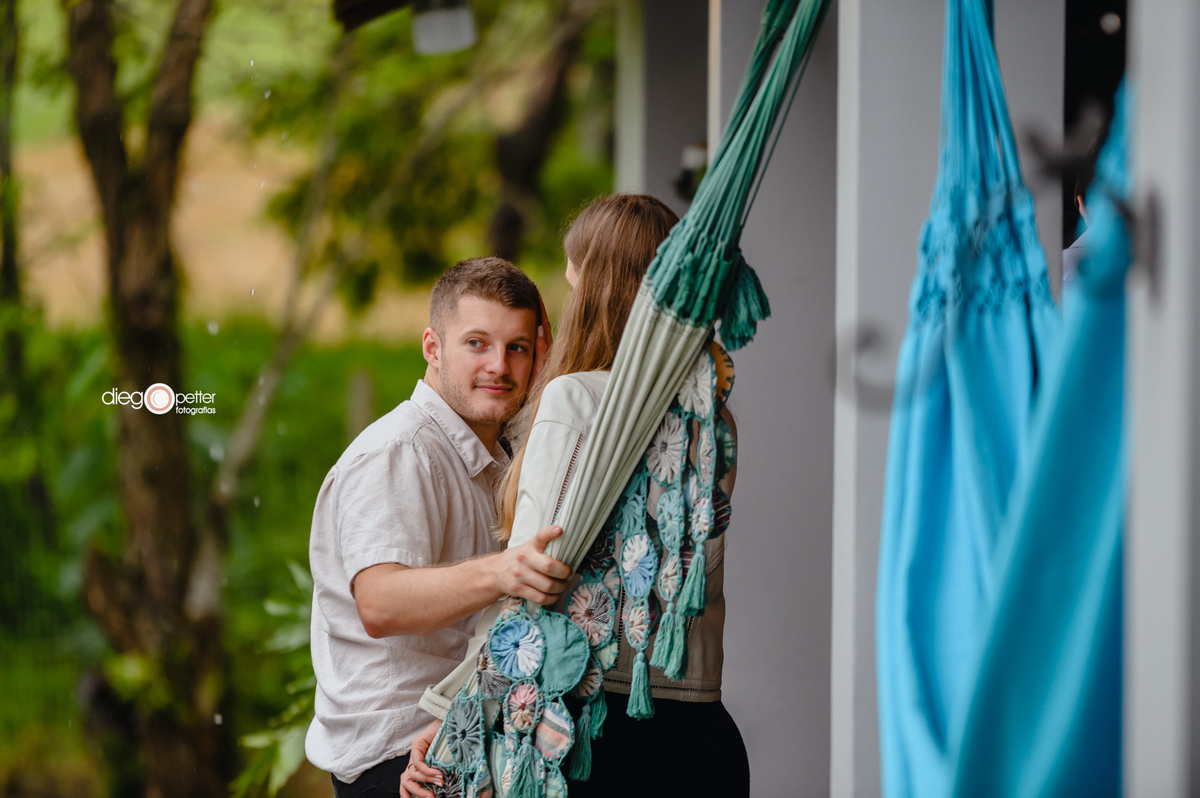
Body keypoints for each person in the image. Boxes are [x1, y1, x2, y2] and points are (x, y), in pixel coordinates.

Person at [407, 196, 750, 798]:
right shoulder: (711, 418)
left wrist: (454, 718)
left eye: (571, 280)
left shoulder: (575, 401)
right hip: (703, 732)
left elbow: (531, 585)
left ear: (594, 288)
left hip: (598, 738)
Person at [306, 257, 574, 798]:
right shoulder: (401, 452)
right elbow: (381, 603)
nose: (499, 365)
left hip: (456, 744)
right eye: (476, 343)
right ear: (432, 348)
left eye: (517, 348)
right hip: (400, 769)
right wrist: (505, 571)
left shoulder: (494, 453)